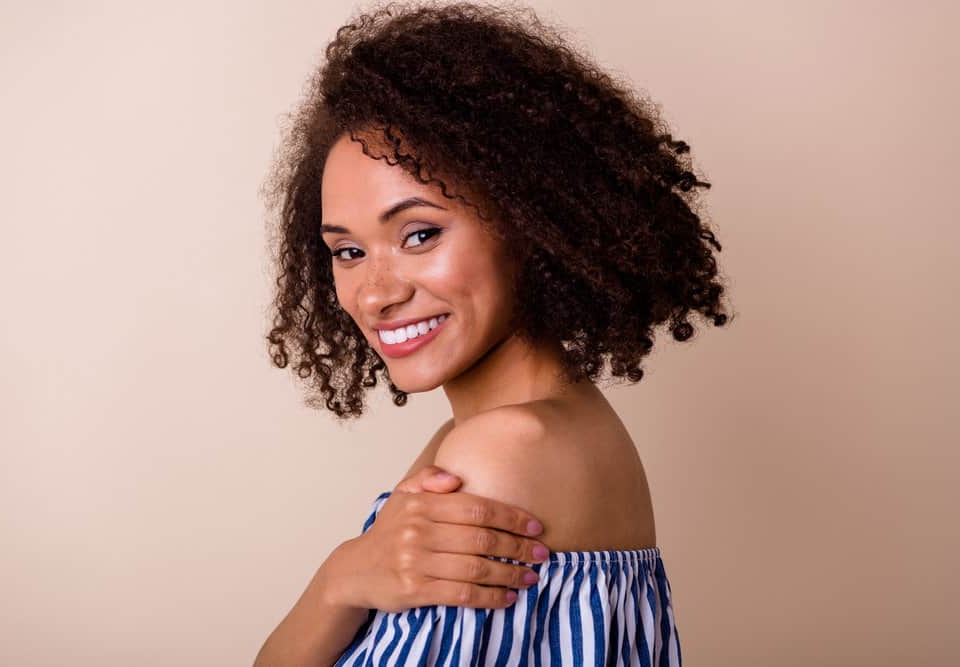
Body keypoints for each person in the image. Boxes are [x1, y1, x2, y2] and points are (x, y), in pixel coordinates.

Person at [255, 2, 731, 665]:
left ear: (528, 222)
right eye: (348, 251)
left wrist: (344, 580)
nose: (377, 292)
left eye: (419, 234)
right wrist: (347, 572)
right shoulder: (556, 427)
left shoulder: (500, 454)